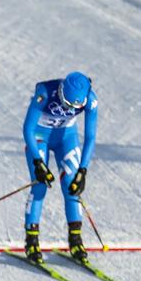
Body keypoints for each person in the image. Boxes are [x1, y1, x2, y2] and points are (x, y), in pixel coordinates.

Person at [22, 71, 98, 265]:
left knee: (72, 186)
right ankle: (31, 240)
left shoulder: (90, 100)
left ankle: (75, 240)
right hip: (39, 136)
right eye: (65, 102)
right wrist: (39, 163)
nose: (67, 108)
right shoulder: (45, 92)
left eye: (73, 107)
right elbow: (28, 128)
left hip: (66, 137)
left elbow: (90, 138)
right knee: (39, 186)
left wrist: (83, 171)